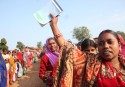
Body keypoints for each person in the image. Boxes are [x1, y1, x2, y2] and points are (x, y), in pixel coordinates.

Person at [49, 14, 125, 87]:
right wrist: (54, 25)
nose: (105, 46)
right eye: (101, 44)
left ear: (119, 44)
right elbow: (68, 49)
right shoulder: (90, 62)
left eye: (110, 42)